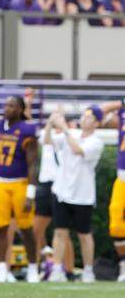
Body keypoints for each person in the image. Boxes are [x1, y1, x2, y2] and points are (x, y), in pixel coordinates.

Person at [45, 108, 104, 284]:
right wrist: (50, 123)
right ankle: (57, 269)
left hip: (83, 194)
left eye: (89, 117)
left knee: (84, 234)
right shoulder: (72, 133)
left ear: (97, 123)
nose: (84, 119)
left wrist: (64, 128)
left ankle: (88, 270)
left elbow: (78, 150)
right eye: (84, 116)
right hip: (62, 191)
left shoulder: (96, 141)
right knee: (60, 231)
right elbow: (48, 141)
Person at [0, 95, 40, 283]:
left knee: (26, 228)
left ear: (20, 109)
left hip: (20, 183)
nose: (7, 108)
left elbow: (33, 164)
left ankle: (33, 268)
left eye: (12, 106)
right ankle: (1, 269)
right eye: (6, 105)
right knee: (0, 227)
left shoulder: (27, 130)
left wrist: (30, 193)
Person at [96, 100, 125, 282]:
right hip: (122, 177)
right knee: (116, 224)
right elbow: (98, 113)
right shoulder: (122, 113)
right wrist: (120, 103)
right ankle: (124, 264)